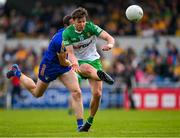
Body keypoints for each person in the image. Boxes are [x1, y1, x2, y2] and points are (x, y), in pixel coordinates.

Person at [6, 15, 84, 131]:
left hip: (63, 66)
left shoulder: (72, 33)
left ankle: (81, 126)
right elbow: (63, 62)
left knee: (77, 92)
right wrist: (75, 64)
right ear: (67, 26)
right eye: (75, 23)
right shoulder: (60, 40)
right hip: (49, 67)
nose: (78, 25)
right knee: (37, 93)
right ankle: (17, 73)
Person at [63, 7, 115, 132]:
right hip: (79, 62)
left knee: (97, 94)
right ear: (73, 21)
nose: (82, 24)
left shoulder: (91, 27)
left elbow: (109, 37)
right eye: (79, 22)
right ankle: (101, 75)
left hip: (95, 61)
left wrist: (110, 45)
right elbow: (70, 53)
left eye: (83, 21)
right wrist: (74, 63)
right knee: (86, 68)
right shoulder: (67, 33)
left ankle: (89, 121)